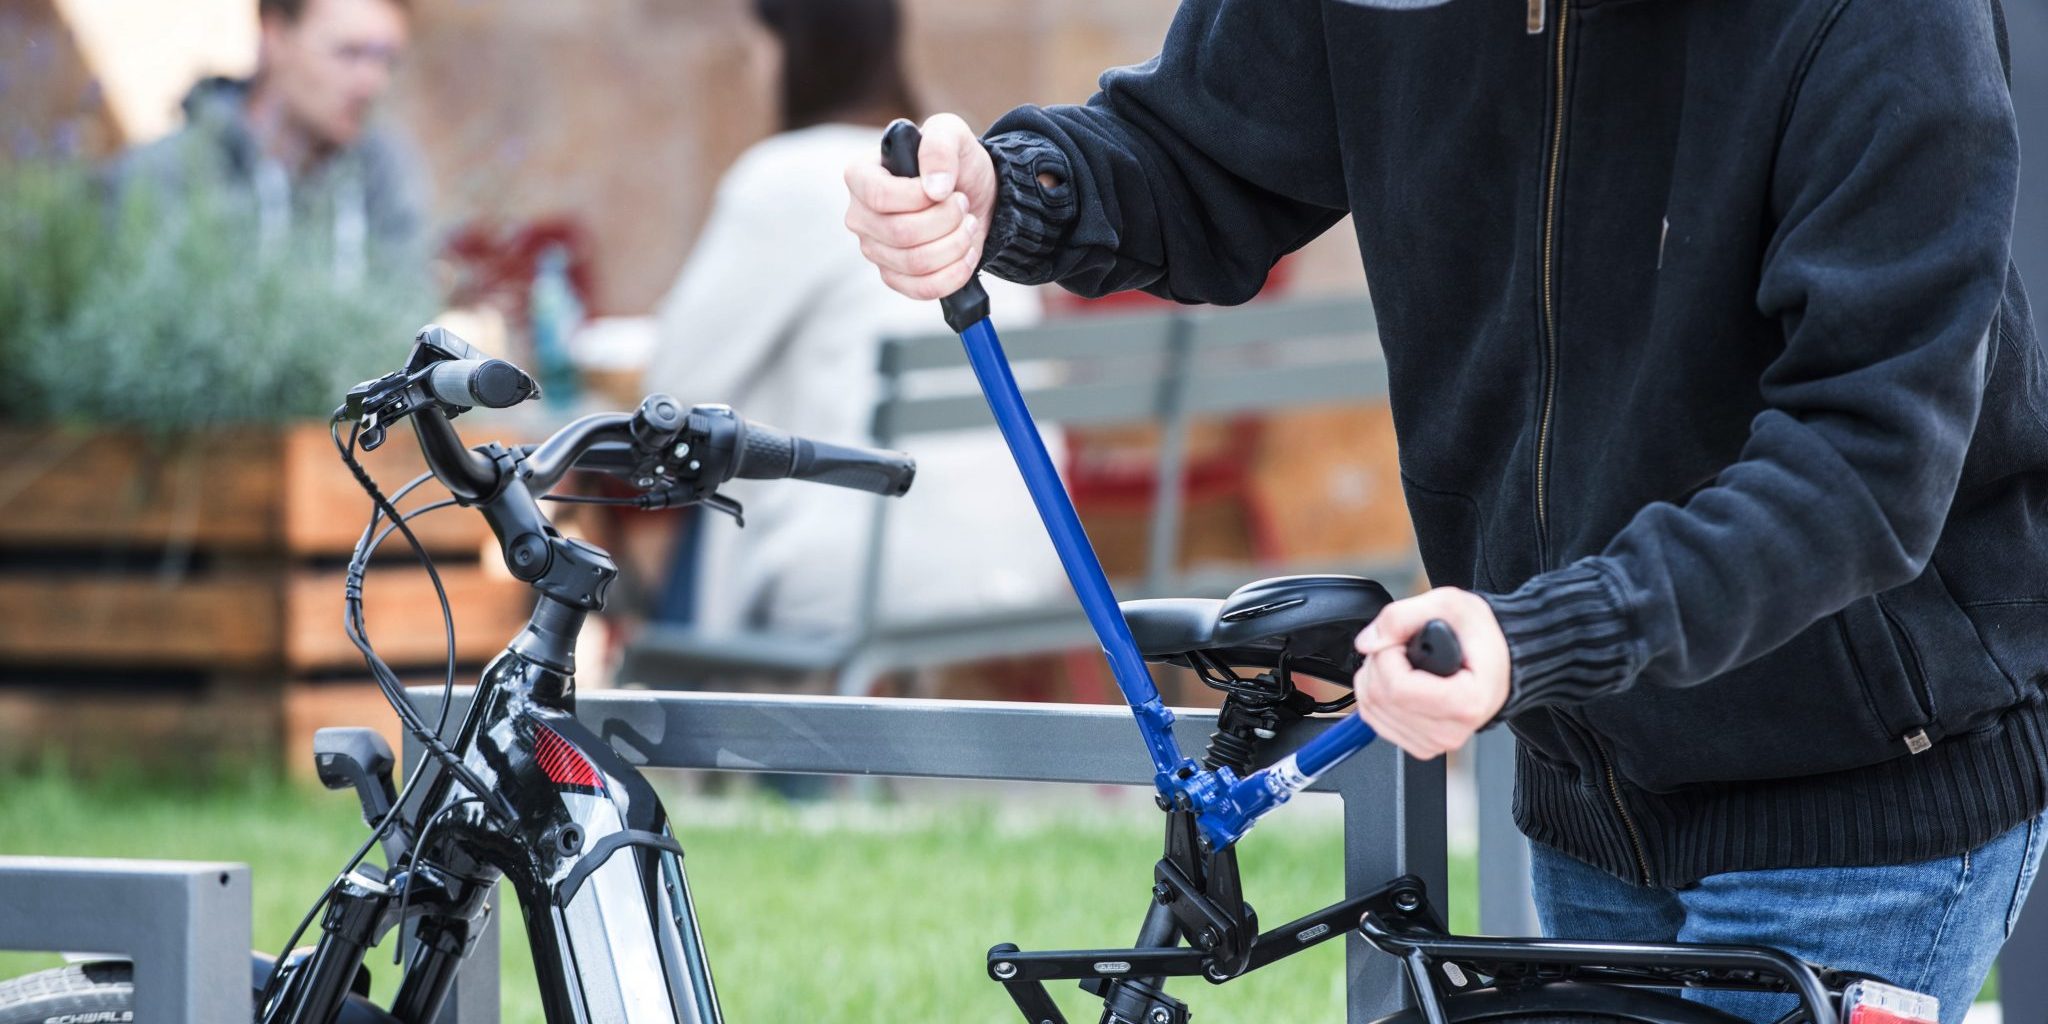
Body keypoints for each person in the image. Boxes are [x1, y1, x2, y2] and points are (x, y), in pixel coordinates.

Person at [843, 1, 2045, 1021]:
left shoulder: (1884, 22)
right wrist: (1013, 191)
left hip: (1857, 796)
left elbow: (1863, 465)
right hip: (1586, 776)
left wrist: (1545, 632)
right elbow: (1197, 153)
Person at [646, 0, 1066, 640]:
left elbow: (671, 389)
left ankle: (668, 695)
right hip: (1024, 562)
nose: (753, 69)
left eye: (759, 47)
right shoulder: (968, 175)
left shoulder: (783, 177)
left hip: (863, 576)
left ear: (792, 52)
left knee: (707, 483)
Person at [113, 0, 427, 281]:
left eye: (386, 61)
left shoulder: (383, 177)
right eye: (348, 53)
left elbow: (407, 304)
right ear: (274, 35)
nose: (373, 83)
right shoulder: (163, 176)